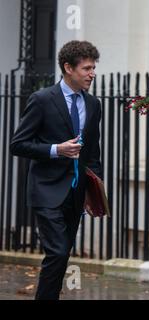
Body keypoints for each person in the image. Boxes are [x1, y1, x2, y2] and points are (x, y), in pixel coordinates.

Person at [10, 40, 102, 300]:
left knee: (61, 257)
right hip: (46, 191)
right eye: (86, 68)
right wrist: (55, 149)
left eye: (93, 68)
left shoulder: (93, 104)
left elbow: (92, 152)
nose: (92, 73)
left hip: (76, 193)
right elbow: (18, 144)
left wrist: (93, 189)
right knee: (59, 252)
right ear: (68, 68)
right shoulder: (42, 99)